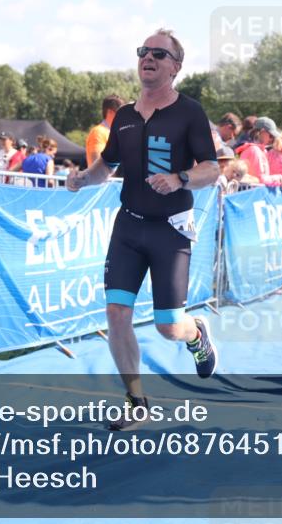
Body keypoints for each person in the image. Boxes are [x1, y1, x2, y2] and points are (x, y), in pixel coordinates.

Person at [65, 30, 220, 429]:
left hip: (171, 231)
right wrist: (83, 178)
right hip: (129, 228)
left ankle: (196, 333)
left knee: (169, 326)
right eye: (142, 52)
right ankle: (136, 401)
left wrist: (180, 178)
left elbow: (213, 168)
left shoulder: (190, 112)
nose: (147, 58)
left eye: (158, 53)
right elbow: (107, 165)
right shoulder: (127, 117)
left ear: (175, 67)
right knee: (117, 313)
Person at [86, 95, 125, 167]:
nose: (123, 116)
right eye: (120, 113)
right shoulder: (98, 132)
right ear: (109, 112)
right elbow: (96, 165)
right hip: (103, 178)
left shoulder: (116, 132)